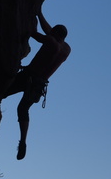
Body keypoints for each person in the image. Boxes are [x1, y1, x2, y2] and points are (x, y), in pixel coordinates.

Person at [4, 8, 71, 160]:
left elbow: (33, 32)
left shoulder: (50, 41)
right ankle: (23, 141)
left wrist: (30, 17)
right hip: (39, 84)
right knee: (23, 109)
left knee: (1, 91)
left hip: (27, 77)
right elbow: (49, 31)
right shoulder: (66, 49)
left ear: (54, 35)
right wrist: (39, 13)